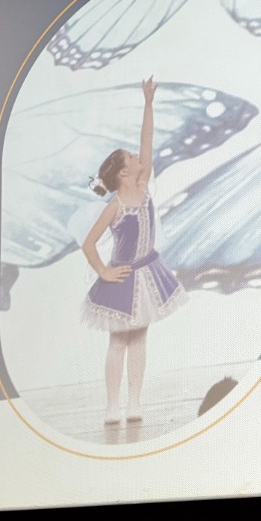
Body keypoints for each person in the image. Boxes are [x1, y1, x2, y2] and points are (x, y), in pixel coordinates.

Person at [81, 77, 187, 427]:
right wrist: (104, 271)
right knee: (118, 342)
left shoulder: (143, 186)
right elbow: (89, 243)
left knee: (139, 338)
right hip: (123, 278)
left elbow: (147, 141)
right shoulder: (114, 206)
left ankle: (134, 403)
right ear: (123, 171)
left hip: (148, 272)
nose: (139, 156)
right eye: (131, 157)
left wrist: (148, 104)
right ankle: (112, 406)